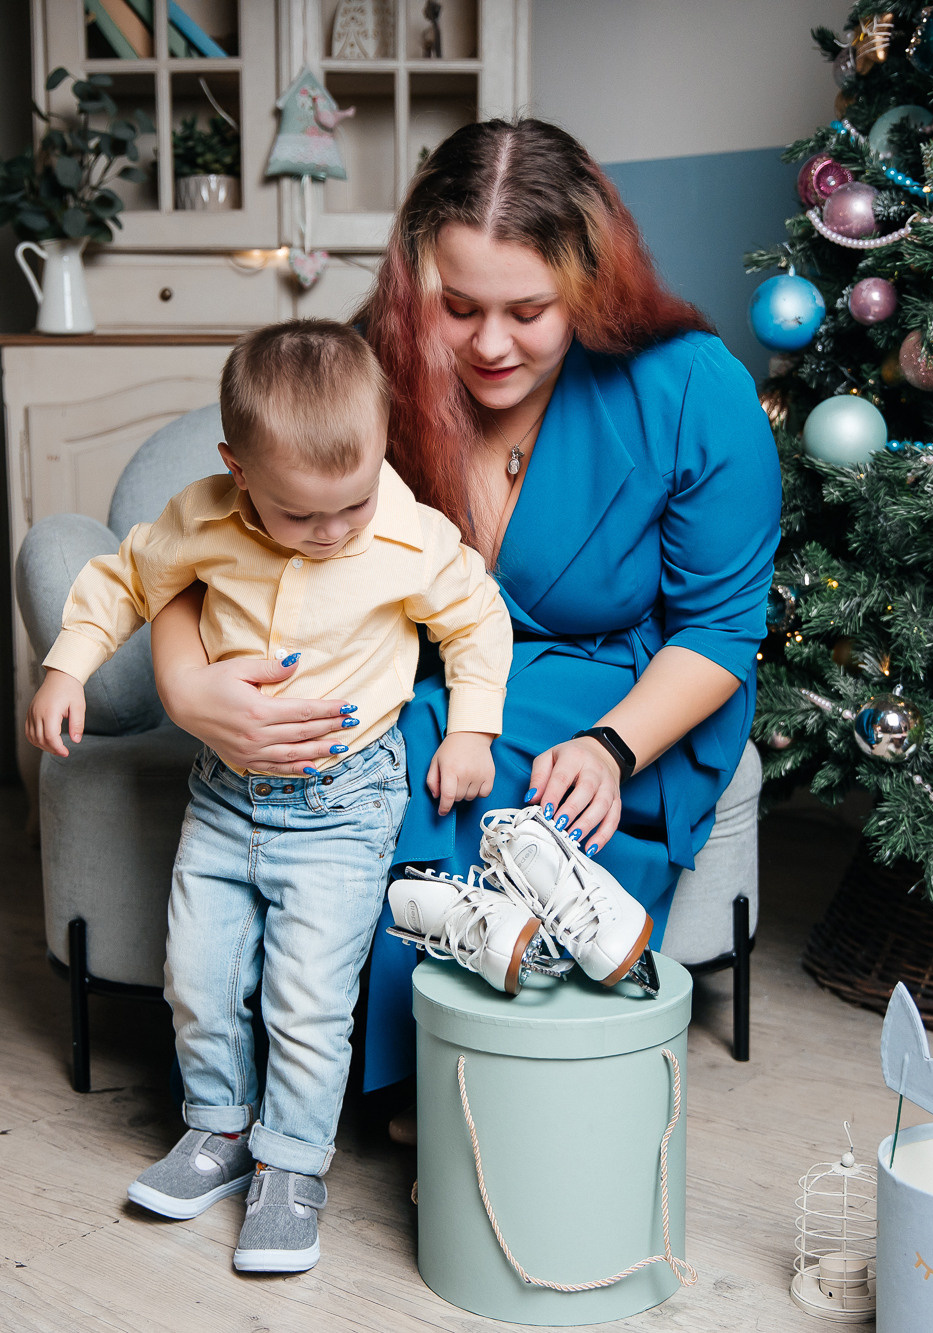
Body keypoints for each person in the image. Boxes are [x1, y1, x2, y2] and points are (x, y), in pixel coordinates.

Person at [147, 118, 782, 1098]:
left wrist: (612, 748)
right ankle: (380, 1077)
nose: (490, 344)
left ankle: (448, 1086)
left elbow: (720, 628)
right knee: (394, 752)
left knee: (459, 783)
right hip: (421, 673)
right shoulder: (364, 371)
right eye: (457, 307)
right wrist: (188, 689)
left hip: (629, 689)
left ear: (589, 284)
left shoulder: (693, 387)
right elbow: (207, 553)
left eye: (528, 310)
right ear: (413, 283)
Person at [24, 320, 511, 1272]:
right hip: (224, 796)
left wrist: (471, 729)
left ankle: (292, 1165)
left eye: (352, 504)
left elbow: (476, 620)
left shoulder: (406, 535)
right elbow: (121, 580)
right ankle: (217, 1131)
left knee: (305, 999)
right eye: (299, 515)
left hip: (344, 803)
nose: (332, 532)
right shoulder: (200, 519)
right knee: (198, 979)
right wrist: (66, 669)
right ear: (236, 467)